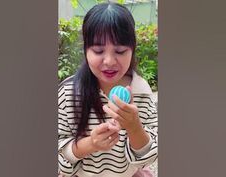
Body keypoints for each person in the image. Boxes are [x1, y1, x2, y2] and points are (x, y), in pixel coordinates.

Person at [58, 2, 158, 177]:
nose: (109, 61)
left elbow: (148, 155)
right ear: (86, 50)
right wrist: (91, 143)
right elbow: (59, 153)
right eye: (98, 50)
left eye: (120, 51)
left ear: (132, 50)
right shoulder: (69, 93)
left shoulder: (141, 91)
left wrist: (134, 127)